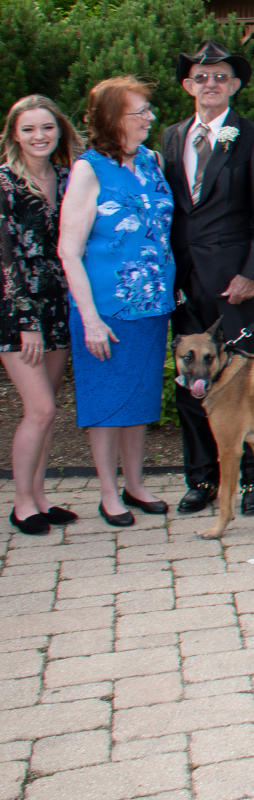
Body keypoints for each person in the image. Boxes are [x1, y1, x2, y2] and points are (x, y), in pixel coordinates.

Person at [161, 39, 254, 518]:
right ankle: (202, 479)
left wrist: (251, 274)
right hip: (185, 284)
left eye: (220, 77)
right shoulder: (172, 138)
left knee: (246, 383)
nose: (209, 83)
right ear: (187, 85)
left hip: (235, 285)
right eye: (201, 76)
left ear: (233, 86)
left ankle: (253, 480)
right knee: (191, 381)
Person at [57, 77, 174, 526]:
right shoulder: (89, 170)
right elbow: (69, 250)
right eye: (140, 111)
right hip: (106, 310)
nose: (150, 117)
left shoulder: (152, 161)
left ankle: (136, 484)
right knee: (106, 404)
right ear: (111, 118)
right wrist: (89, 319)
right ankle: (109, 493)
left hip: (152, 307)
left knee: (140, 400)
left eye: (148, 109)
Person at [1, 96, 79, 534]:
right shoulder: (4, 182)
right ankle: (21, 504)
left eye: (47, 127)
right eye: (28, 128)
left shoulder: (67, 178)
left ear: (59, 130)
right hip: (17, 312)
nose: (39, 136)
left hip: (59, 306)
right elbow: (5, 258)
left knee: (49, 409)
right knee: (40, 409)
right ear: (14, 134)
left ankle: (41, 496)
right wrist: (26, 321)